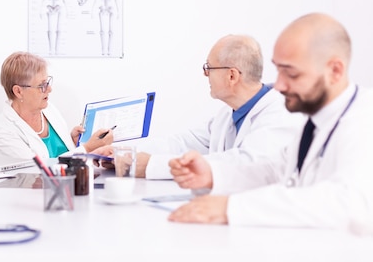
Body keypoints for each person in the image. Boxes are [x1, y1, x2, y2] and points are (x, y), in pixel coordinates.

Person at [167, 13, 373, 232]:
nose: (279, 85)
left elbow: (349, 203)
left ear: (335, 71)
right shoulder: (316, 121)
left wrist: (232, 208)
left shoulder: (363, 122)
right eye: (279, 70)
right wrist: (212, 174)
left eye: (291, 74)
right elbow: (277, 170)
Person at [96, 34, 303, 179]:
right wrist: (123, 153)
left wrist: (150, 165)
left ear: (231, 75)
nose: (206, 75)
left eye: (209, 68)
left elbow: (245, 164)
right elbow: (181, 143)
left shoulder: (280, 114)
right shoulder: (228, 115)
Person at [0, 51, 113, 159]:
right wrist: (87, 148)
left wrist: (74, 143)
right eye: (41, 85)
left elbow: (59, 154)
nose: (49, 89)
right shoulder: (2, 133)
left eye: (47, 82)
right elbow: (38, 172)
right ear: (18, 91)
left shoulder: (48, 109)